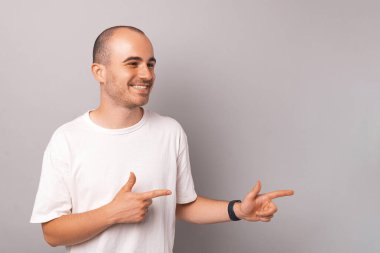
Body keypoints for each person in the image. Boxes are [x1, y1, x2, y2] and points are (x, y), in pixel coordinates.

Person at [30, 26, 294, 253]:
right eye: (133, 63)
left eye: (150, 64)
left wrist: (238, 211)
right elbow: (52, 232)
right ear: (99, 72)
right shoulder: (67, 139)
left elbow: (181, 205)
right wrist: (112, 213)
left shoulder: (170, 131)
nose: (146, 74)